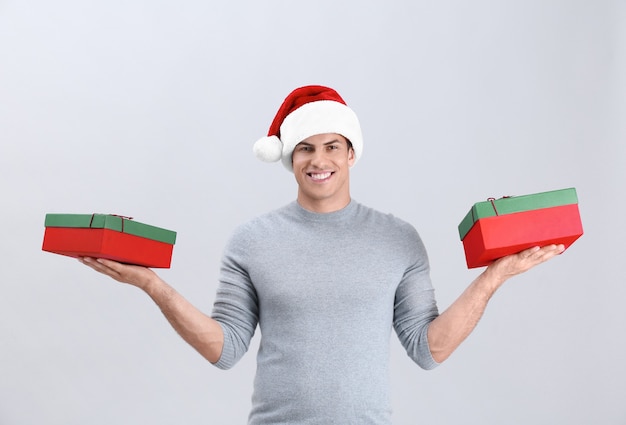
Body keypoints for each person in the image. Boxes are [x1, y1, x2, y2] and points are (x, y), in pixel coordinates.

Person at [80, 85, 564, 424]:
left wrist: (493, 278)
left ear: (351, 154)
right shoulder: (252, 240)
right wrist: (151, 284)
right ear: (290, 158)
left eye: (332, 146)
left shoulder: (398, 238)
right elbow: (224, 350)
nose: (319, 160)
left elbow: (429, 349)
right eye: (305, 148)